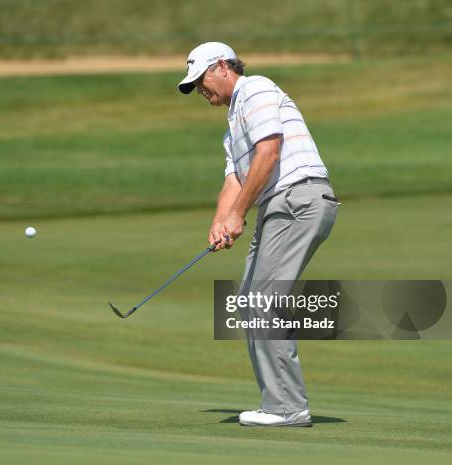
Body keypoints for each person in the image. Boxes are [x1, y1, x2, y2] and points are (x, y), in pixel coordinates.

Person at [178, 42, 339, 427]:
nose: (200, 89)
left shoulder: (257, 89)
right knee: (250, 301)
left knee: (264, 300)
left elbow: (269, 151)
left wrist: (238, 214)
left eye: (201, 79)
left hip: (298, 200)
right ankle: (278, 402)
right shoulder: (232, 124)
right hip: (279, 207)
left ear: (221, 67)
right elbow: (235, 177)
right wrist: (221, 220)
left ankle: (287, 407)